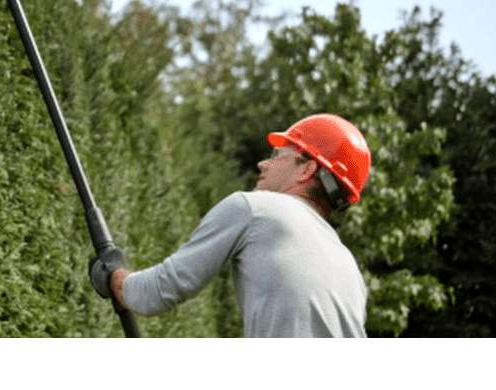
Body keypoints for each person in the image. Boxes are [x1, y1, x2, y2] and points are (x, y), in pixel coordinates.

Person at [89, 113, 372, 337]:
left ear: (306, 169)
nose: (263, 164)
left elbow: (156, 292)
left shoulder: (255, 209)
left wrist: (112, 277)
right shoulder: (349, 267)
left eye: (277, 156)